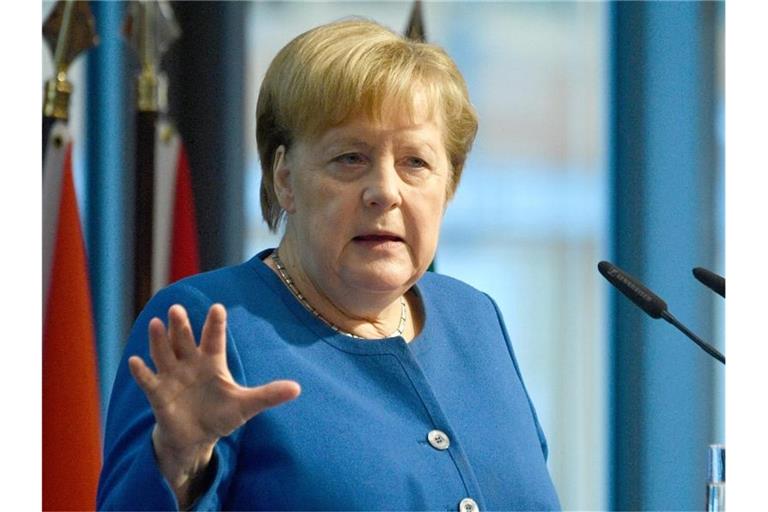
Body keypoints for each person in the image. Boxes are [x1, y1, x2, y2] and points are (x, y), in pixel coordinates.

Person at [97, 18, 561, 511]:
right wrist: (178, 461)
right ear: (285, 179)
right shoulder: (210, 324)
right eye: (349, 158)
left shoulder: (474, 317)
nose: (385, 191)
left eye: (415, 163)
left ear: (448, 186)